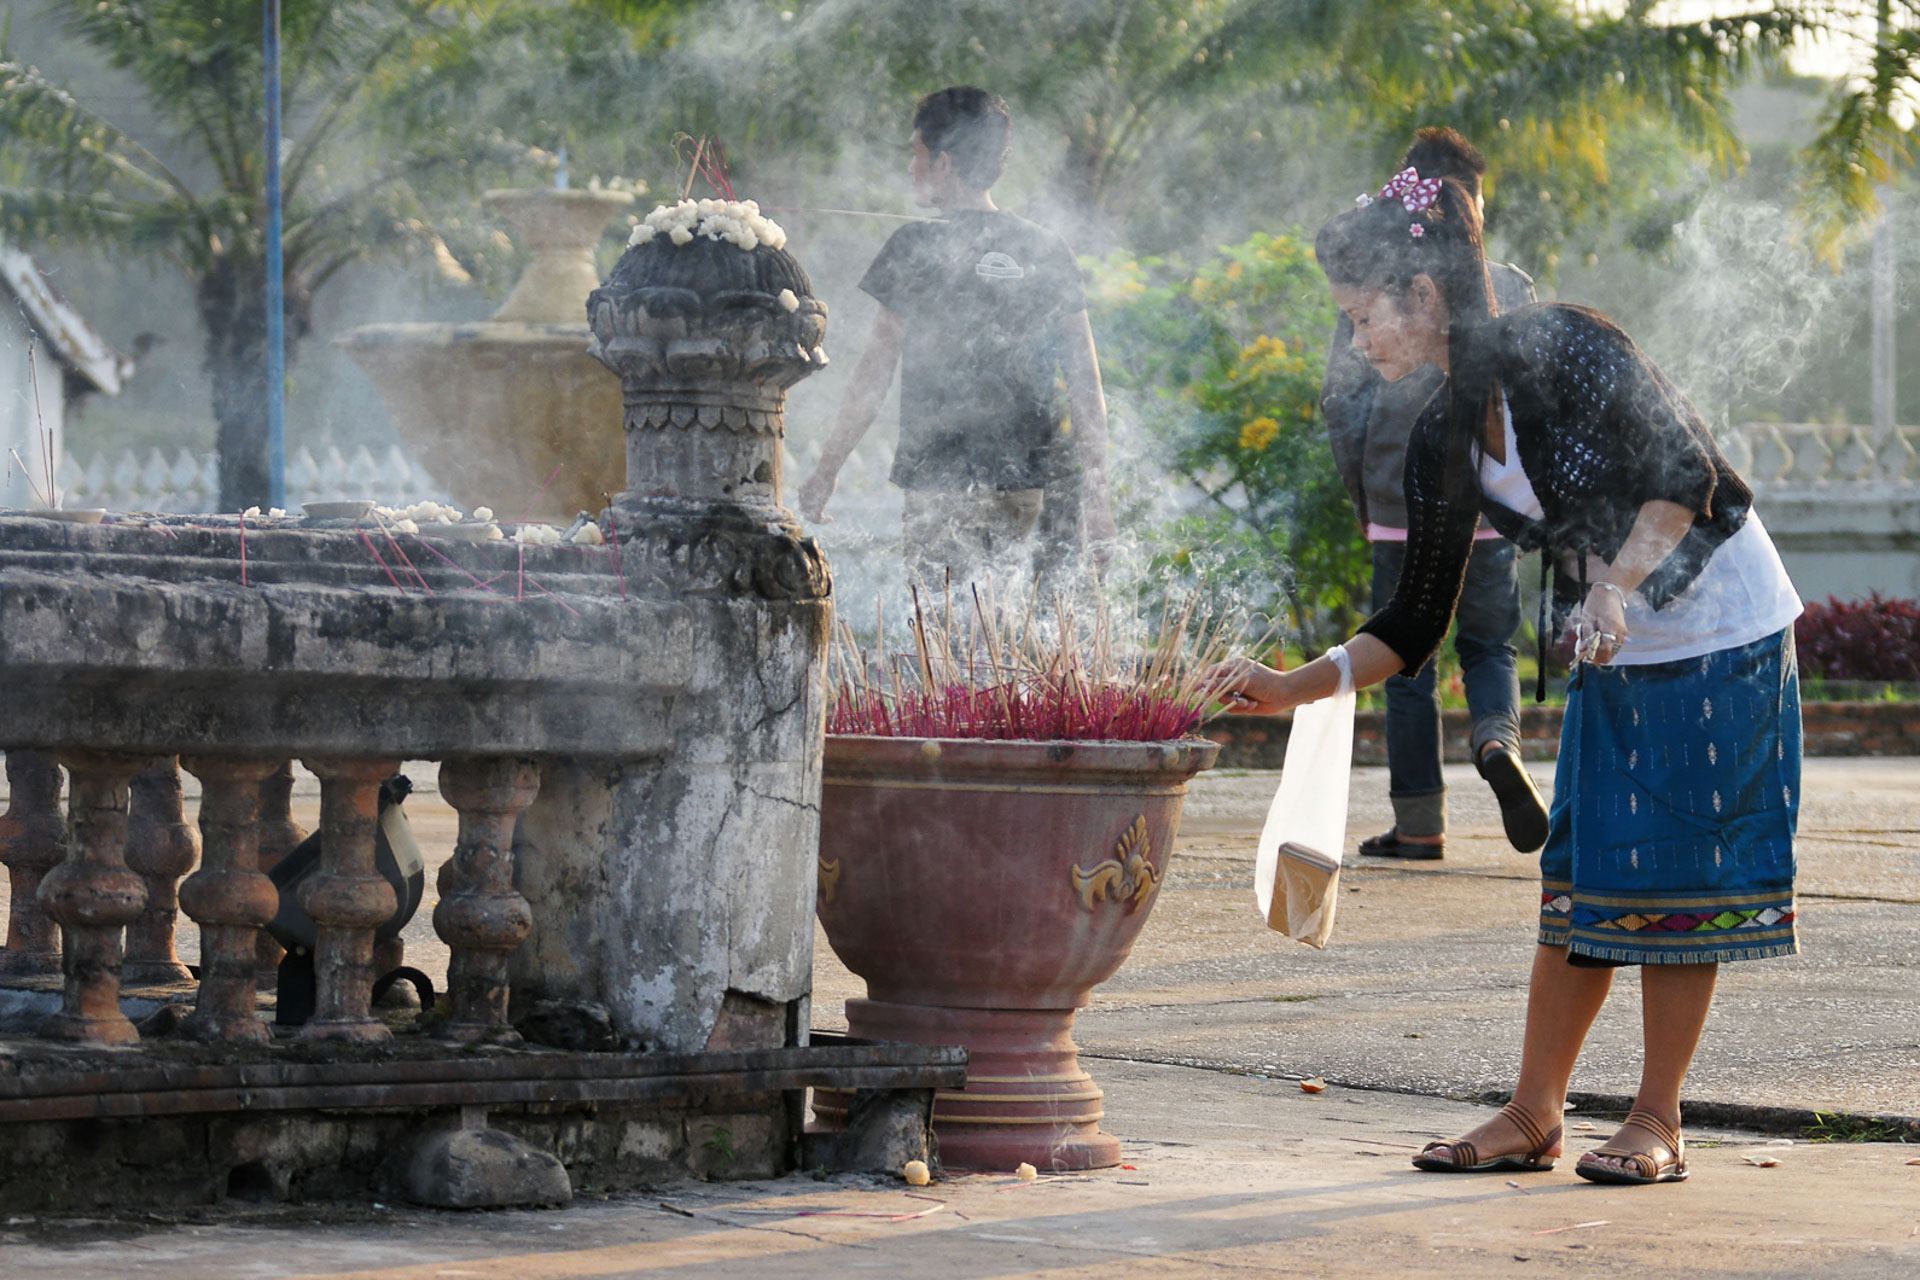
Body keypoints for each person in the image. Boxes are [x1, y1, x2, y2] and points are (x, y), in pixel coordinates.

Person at [1208, 167, 1803, 1186]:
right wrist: (1283, 684)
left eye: (1361, 318)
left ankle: (1658, 1117)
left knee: (1680, 877)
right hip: (1612, 638)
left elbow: (1684, 474)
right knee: (1580, 875)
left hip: (1720, 627)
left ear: (1425, 297)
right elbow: (1413, 616)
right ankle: (1535, 1109)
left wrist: (1613, 585)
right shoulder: (1444, 429)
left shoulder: (1564, 342)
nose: (1355, 342)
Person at [1322, 128, 1546, 860]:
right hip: (1494, 499)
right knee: (1490, 645)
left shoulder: (1373, 278)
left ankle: (1419, 823)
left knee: (1405, 660)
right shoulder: (1511, 283)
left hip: (1396, 494)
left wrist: (1361, 494)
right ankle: (1495, 742)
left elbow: (1342, 398)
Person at [795, 86, 1116, 588]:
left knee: (945, 644)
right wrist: (1098, 499)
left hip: (940, 487)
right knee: (1008, 638)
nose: (910, 168)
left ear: (943, 163)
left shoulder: (914, 246)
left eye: (916, 154)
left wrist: (827, 468)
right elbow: (1086, 384)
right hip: (1025, 490)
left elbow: (873, 374)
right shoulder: (1049, 249)